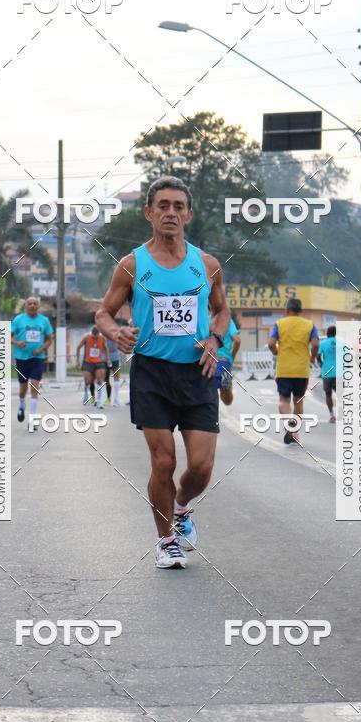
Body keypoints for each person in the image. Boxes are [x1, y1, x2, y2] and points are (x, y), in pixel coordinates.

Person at [96, 176, 230, 569]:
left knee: (201, 468)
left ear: (188, 214)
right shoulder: (132, 265)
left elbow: (222, 311)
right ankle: (166, 540)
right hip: (152, 374)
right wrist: (116, 332)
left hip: (197, 372)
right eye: (163, 206)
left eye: (178, 206)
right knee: (163, 462)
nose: (170, 213)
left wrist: (216, 339)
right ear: (149, 213)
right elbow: (103, 313)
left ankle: (181, 506)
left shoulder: (207, 265)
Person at [267, 297, 319, 444]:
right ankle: (294, 430)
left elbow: (271, 343)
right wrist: (312, 357)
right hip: (301, 370)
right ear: (300, 311)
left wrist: (275, 351)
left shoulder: (279, 324)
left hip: (284, 369)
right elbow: (315, 344)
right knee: (298, 401)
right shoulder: (309, 325)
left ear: (287, 310)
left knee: (284, 400)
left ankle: (288, 420)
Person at [11, 297, 54, 427]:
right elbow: (9, 336)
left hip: (37, 358)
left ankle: (32, 419)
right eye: (30, 304)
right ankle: (22, 404)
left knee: (35, 386)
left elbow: (49, 338)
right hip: (22, 358)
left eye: (35, 304)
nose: (32, 305)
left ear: (38, 306)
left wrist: (41, 349)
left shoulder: (44, 320)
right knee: (22, 389)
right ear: (26, 306)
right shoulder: (18, 319)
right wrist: (17, 343)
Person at [76, 326, 109, 409]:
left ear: (98, 334)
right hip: (87, 362)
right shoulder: (86, 337)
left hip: (99, 362)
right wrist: (77, 361)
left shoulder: (102, 338)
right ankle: (86, 394)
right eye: (94, 336)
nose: (95, 338)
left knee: (99, 381)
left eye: (96, 336)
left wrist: (107, 359)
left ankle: (99, 401)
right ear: (91, 334)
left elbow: (106, 348)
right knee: (87, 381)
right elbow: (78, 347)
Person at [214, 316, 241, 406]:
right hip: (224, 361)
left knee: (209, 395)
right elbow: (237, 340)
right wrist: (232, 356)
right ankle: (226, 388)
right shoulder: (228, 321)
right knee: (227, 401)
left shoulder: (206, 320)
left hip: (209, 361)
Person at [317, 325, 337, 422]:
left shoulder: (323, 343)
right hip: (339, 372)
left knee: (328, 394)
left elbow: (318, 356)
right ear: (335, 333)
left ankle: (332, 415)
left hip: (327, 372)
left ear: (327, 333)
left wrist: (322, 365)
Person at [105, 326, 124, 407]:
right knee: (107, 378)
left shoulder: (108, 335)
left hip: (112, 357)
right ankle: (112, 399)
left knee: (115, 377)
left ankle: (115, 399)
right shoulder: (113, 335)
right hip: (109, 357)